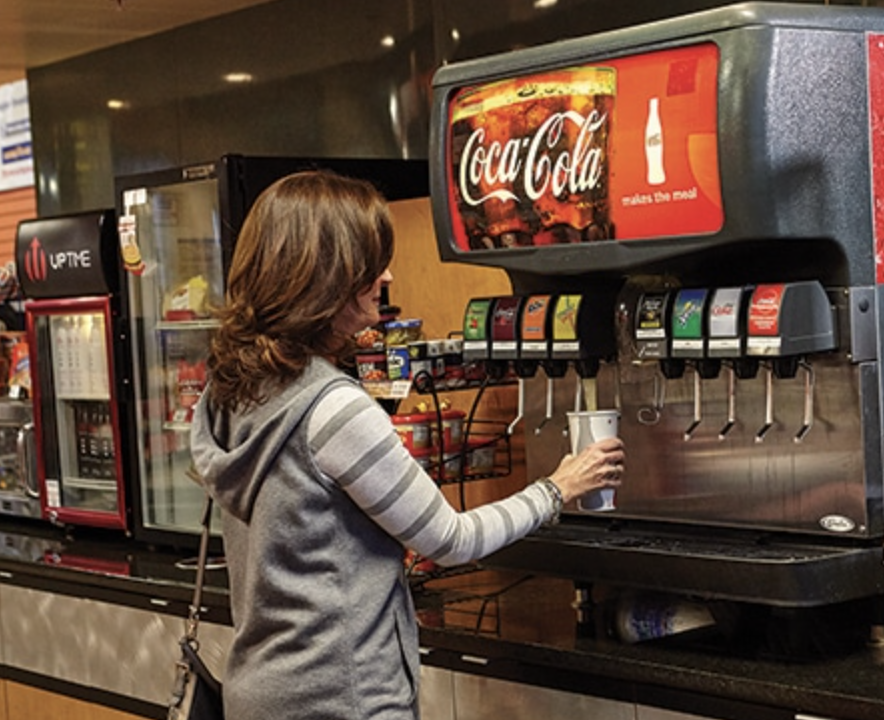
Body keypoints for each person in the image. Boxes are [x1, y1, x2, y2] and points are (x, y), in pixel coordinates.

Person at [190, 169, 625, 720]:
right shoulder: (332, 409)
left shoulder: (230, 395)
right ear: (327, 275)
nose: (388, 275)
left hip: (259, 693)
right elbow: (450, 539)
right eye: (373, 263)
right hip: (344, 699)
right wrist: (558, 488)